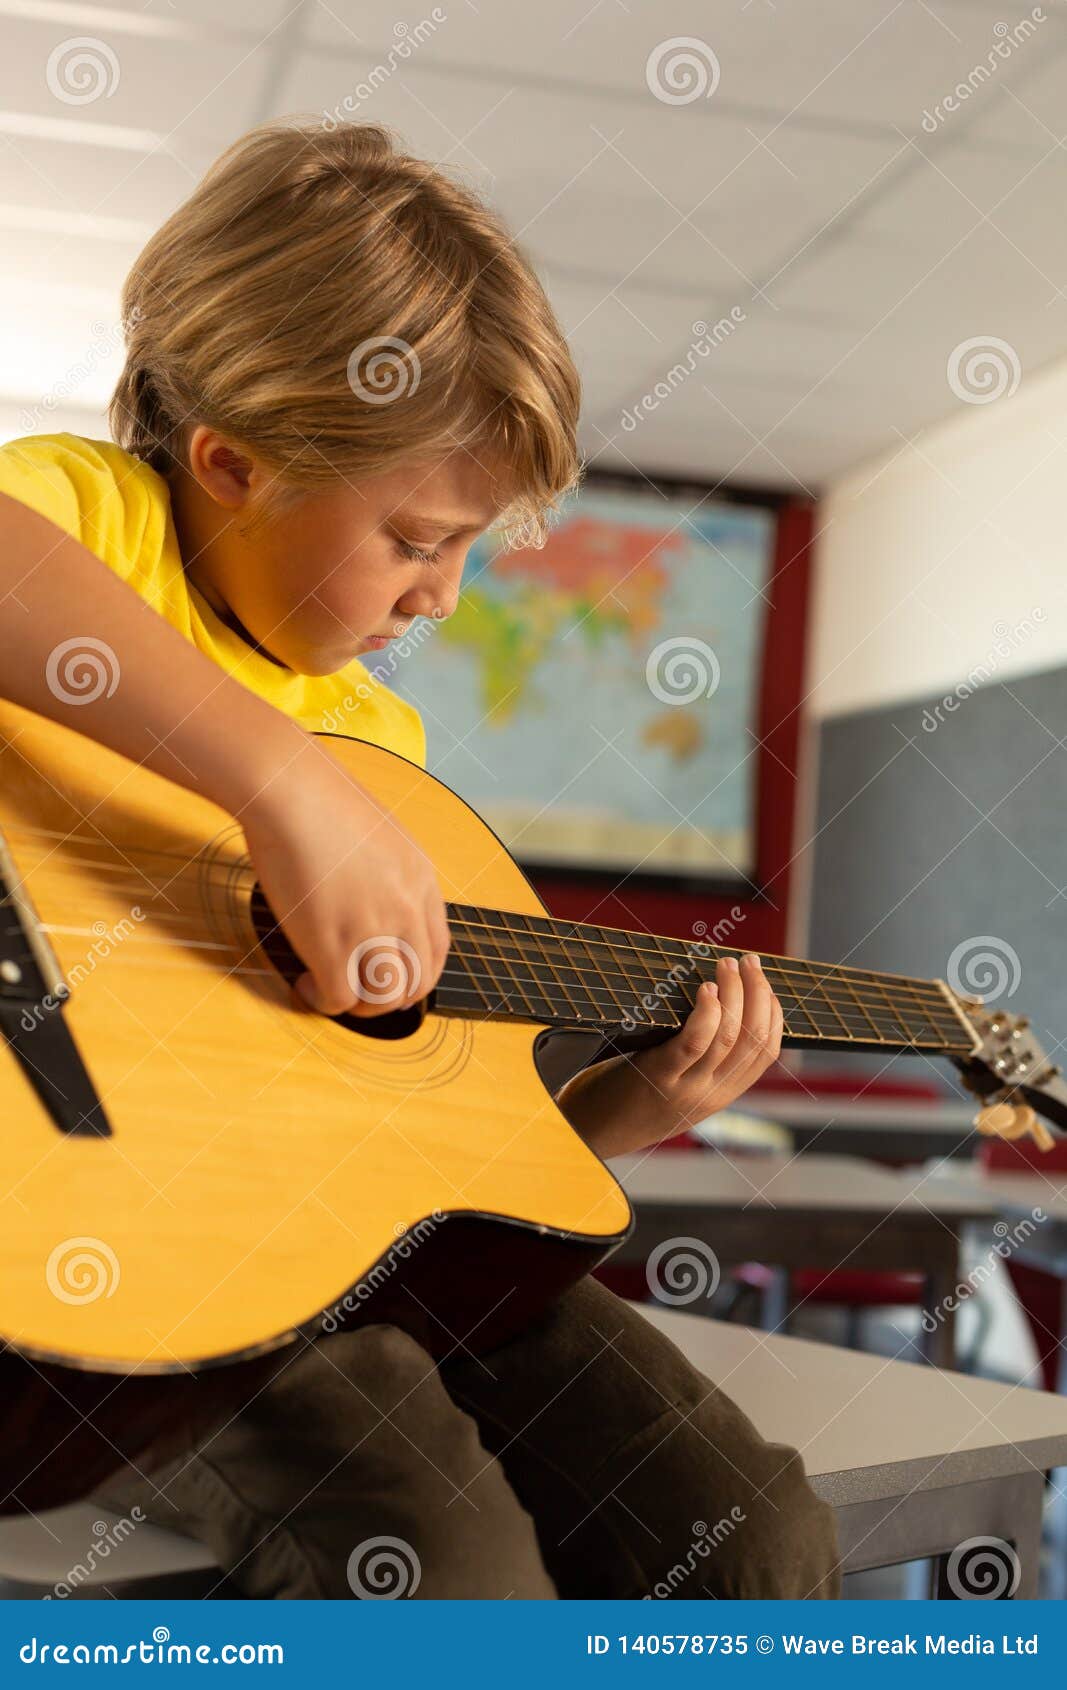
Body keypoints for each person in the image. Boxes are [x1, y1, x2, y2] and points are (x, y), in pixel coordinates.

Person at [0, 119, 839, 1600]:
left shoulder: (380, 736)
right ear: (231, 463)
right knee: (446, 1571)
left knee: (758, 1541)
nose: (444, 593)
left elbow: (386, 1145)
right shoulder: (99, 521)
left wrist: (619, 1108)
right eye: (411, 535)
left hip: (349, 1258)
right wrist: (274, 780)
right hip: (144, 1251)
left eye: (469, 548)